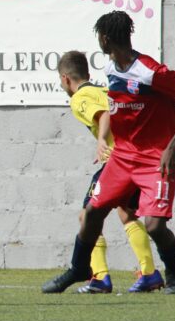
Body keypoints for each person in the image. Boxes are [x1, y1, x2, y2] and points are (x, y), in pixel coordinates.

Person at [43, 11, 175, 294]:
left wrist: (173, 146)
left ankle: (174, 272)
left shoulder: (151, 71)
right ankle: (79, 269)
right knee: (92, 213)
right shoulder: (112, 70)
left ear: (105, 38)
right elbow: (118, 111)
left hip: (155, 158)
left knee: (154, 225)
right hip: (123, 157)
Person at [58, 50, 163, 293]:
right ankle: (149, 273)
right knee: (127, 214)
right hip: (134, 157)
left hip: (117, 161)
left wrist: (101, 140)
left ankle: (99, 277)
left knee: (87, 216)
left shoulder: (81, 97)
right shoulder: (103, 91)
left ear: (65, 79)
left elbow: (103, 114)